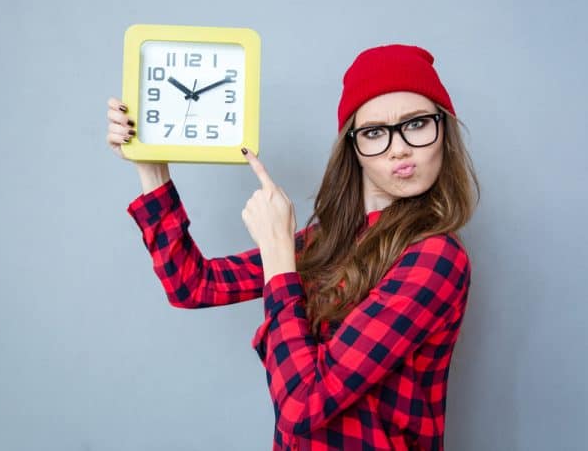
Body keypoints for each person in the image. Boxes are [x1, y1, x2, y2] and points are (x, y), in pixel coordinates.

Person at [105, 44, 480, 451]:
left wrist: (277, 255)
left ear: (443, 130)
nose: (399, 147)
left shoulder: (435, 258)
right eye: (374, 132)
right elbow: (193, 285)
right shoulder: (329, 241)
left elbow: (303, 405)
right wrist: (151, 166)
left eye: (417, 123)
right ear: (353, 149)